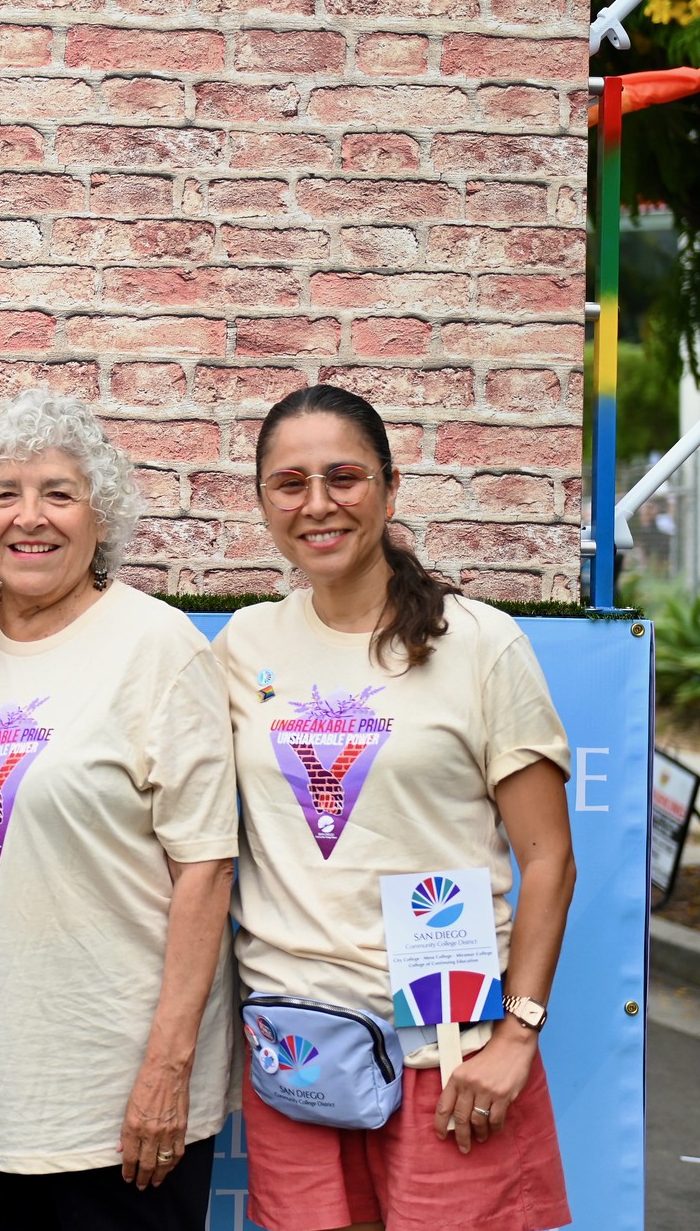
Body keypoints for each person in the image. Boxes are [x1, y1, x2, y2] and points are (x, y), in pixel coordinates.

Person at [215, 384, 575, 1231]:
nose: (318, 503)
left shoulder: (481, 643)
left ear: (389, 484)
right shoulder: (244, 647)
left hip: (450, 1049)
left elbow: (549, 857)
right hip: (298, 1041)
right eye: (289, 483)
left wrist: (518, 1035)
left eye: (343, 475)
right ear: (264, 500)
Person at [0, 388, 237, 1230]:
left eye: (58, 492)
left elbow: (207, 869)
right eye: (4, 494)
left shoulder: (158, 649)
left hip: (123, 1097)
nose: (30, 517)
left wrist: (168, 1067)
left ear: (100, 516)